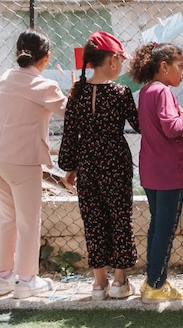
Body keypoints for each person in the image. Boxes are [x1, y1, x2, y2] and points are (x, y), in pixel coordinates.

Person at [0, 29, 67, 299]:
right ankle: (26, 280)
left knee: (8, 217)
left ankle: (3, 277)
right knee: (29, 220)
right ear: (47, 57)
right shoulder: (45, 86)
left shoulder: (7, 77)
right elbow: (71, 113)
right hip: (21, 161)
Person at [58, 31, 140, 301]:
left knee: (93, 221)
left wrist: (70, 167)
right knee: (119, 218)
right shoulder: (120, 92)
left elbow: (69, 134)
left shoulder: (77, 93)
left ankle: (98, 284)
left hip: (87, 161)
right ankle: (119, 282)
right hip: (115, 160)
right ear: (114, 60)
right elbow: (139, 126)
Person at [129, 42, 183, 303]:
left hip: (151, 171)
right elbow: (173, 128)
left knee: (157, 226)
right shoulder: (163, 92)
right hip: (168, 173)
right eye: (180, 66)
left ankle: (154, 281)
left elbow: (164, 124)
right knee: (165, 230)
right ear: (163, 66)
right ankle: (156, 285)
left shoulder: (147, 91)